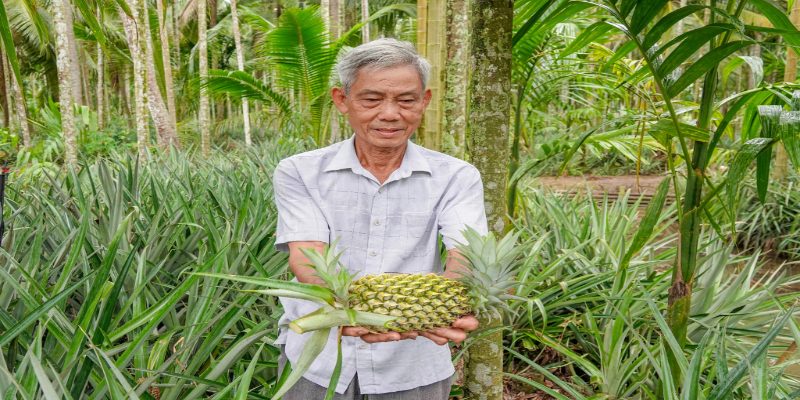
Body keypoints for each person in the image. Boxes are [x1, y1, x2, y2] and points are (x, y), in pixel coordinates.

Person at [273, 38, 488, 399]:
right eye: (372, 100)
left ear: (425, 101)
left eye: (406, 100)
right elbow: (307, 254)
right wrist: (352, 311)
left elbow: (465, 252)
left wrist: (447, 305)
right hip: (319, 360)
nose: (390, 114)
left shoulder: (456, 176)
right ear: (342, 100)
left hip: (413, 364)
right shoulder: (300, 171)